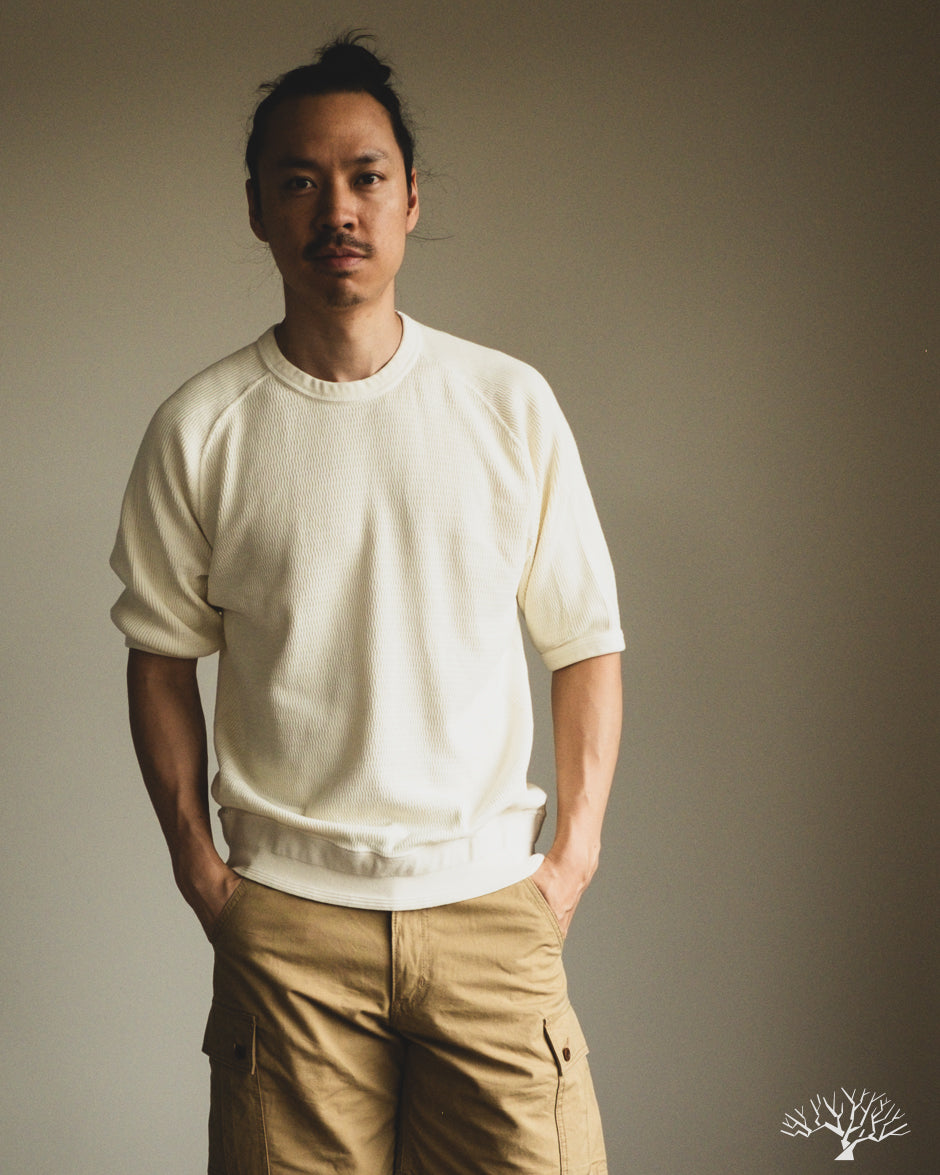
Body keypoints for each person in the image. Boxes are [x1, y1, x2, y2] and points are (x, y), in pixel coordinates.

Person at [111, 32, 624, 1175]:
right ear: (257, 209)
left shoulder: (506, 403)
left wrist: (572, 859)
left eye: (364, 176)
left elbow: (585, 638)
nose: (335, 208)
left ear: (408, 199)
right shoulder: (202, 427)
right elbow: (158, 654)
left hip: (491, 908)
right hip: (287, 925)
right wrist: (203, 871)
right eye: (299, 180)